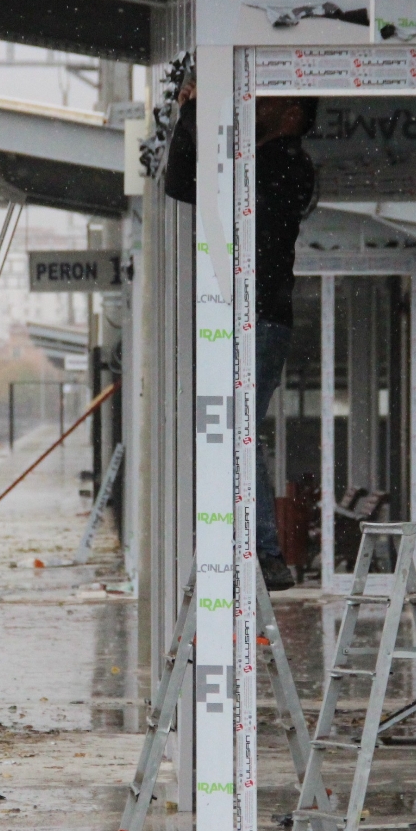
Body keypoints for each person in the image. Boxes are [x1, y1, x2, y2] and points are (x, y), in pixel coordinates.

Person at [165, 83, 318, 590]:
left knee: (234, 428)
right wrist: (189, 117)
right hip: (250, 314)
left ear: (292, 115)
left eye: (268, 103)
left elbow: (211, 182)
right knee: (231, 427)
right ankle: (253, 547)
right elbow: (183, 184)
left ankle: (262, 551)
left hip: (259, 316)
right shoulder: (265, 164)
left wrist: (196, 114)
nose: (256, 109)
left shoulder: (285, 165)